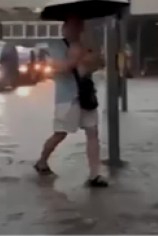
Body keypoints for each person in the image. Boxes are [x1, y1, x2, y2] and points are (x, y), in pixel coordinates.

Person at [34, 16, 108, 187]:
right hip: (67, 98)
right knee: (60, 133)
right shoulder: (57, 46)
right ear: (65, 29)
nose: (77, 30)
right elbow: (61, 68)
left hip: (86, 95)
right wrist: (75, 57)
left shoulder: (85, 45)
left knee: (92, 132)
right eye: (73, 26)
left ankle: (94, 174)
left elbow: (95, 65)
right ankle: (42, 161)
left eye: (79, 26)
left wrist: (93, 57)